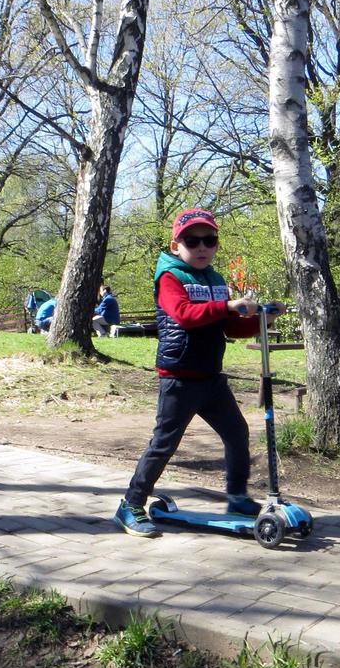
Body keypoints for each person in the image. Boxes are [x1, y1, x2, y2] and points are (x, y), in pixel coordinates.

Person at [114, 208, 276, 538]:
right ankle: (130, 504)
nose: (202, 247)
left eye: (209, 240)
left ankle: (236, 497)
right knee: (164, 444)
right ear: (177, 246)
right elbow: (184, 315)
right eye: (192, 240)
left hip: (211, 378)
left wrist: (262, 320)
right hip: (179, 376)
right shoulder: (170, 277)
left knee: (237, 433)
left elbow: (229, 325)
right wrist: (229, 306)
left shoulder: (216, 281)